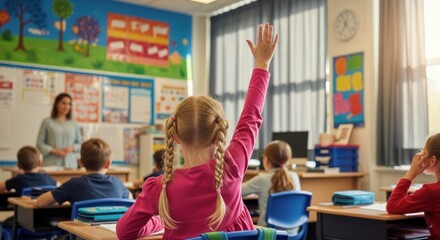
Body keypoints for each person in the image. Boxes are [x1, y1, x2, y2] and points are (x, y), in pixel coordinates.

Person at [116, 22, 279, 239]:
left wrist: (157, 222)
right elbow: (251, 118)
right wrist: (262, 64)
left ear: (175, 136)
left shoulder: (159, 188)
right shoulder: (233, 164)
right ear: (218, 131)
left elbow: (124, 231)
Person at [35, 138, 130, 207]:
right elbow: (130, 200)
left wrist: (65, 199)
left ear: (80, 162)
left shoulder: (73, 184)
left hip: (80, 234)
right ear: (108, 163)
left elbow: (40, 202)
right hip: (111, 233)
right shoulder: (117, 183)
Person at [386, 133, 440, 239]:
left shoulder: (431, 191)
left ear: (432, 160)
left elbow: (392, 205)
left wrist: (411, 173)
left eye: (423, 153)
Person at [242, 140, 301, 227]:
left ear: (266, 159)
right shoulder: (294, 176)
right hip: (292, 233)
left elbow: (234, 192)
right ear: (288, 159)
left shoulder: (262, 179)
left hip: (268, 234)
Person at [36, 93, 82, 169]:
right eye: (63, 103)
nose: (66, 107)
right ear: (56, 104)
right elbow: (39, 143)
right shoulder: (47, 122)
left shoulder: (74, 124)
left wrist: (72, 148)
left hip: (70, 164)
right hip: (51, 164)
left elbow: (80, 144)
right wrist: (53, 150)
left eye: (69, 104)